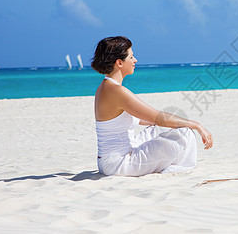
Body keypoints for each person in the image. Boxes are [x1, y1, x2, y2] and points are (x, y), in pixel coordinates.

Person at [91, 36, 213, 176]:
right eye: (131, 57)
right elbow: (157, 117)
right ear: (119, 62)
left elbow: (145, 120)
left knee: (173, 127)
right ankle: (175, 168)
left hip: (112, 160)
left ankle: (170, 163)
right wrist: (197, 125)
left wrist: (177, 124)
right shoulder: (116, 91)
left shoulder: (106, 87)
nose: (135, 60)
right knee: (185, 133)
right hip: (118, 164)